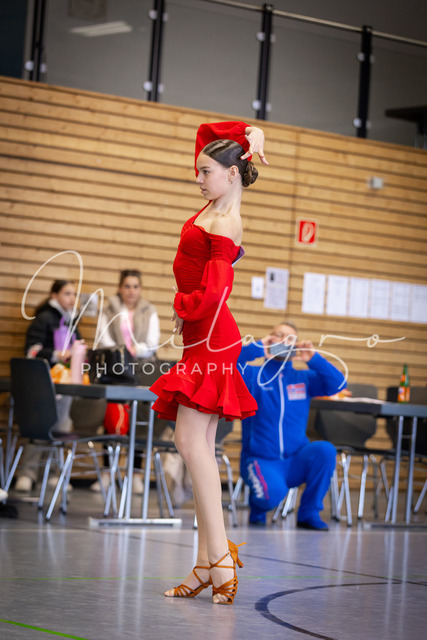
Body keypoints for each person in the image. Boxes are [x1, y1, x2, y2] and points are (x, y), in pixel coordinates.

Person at [149, 121, 268, 604]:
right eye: (198, 170)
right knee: (196, 446)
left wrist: (182, 307)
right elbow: (206, 131)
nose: (197, 177)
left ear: (232, 174)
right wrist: (252, 132)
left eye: (205, 171)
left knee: (189, 443)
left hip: (213, 338)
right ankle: (207, 562)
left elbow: (217, 292)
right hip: (205, 335)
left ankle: (219, 558)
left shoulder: (226, 221)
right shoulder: (213, 205)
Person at [237, 321, 347, 530]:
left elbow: (339, 384)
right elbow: (226, 365)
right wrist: (257, 348)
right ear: (270, 338)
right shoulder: (252, 375)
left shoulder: (304, 379)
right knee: (270, 497)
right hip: (261, 460)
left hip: (295, 460)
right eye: (278, 335)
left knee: (325, 450)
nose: (283, 341)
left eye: (290, 338)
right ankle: (258, 506)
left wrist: (313, 358)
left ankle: (308, 513)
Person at [93, 269, 160, 494]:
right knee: (112, 419)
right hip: (115, 370)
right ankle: (107, 473)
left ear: (140, 289)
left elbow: (152, 342)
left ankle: (136, 474)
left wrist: (134, 351)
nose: (131, 291)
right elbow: (104, 338)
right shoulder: (110, 308)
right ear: (120, 288)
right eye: (127, 286)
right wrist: (121, 353)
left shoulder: (149, 310)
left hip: (142, 369)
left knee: (140, 421)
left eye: (135, 286)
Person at [15, 280, 82, 492]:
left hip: (66, 385)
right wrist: (56, 355)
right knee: (40, 429)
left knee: (61, 430)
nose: (72, 298)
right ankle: (28, 473)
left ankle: (54, 473)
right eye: (67, 293)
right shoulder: (44, 319)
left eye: (74, 294)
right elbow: (31, 351)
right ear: (54, 296)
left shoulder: (73, 322)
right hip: (43, 385)